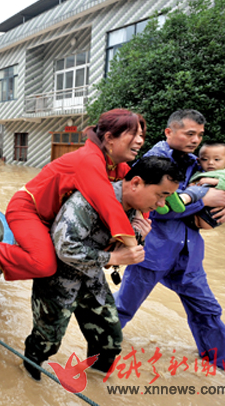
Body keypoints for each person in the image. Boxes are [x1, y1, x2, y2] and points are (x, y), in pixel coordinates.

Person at [23, 156, 182, 381]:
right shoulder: (89, 201)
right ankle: (29, 377)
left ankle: (97, 385)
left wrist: (137, 237)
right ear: (136, 183)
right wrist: (114, 256)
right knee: (47, 342)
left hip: (91, 279)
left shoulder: (135, 210)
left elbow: (120, 251)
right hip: (58, 280)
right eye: (160, 195)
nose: (161, 204)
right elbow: (65, 247)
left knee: (110, 341)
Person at [115, 109, 225, 374]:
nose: (196, 139)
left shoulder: (197, 162)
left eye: (199, 134)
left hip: (189, 254)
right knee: (123, 308)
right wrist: (204, 199)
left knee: (208, 311)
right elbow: (156, 205)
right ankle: (95, 355)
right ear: (169, 132)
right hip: (152, 251)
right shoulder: (154, 162)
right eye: (190, 133)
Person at [0, 108, 146, 282]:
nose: (140, 141)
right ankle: (1, 254)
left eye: (141, 135)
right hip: (28, 209)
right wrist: (132, 247)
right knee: (45, 264)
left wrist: (141, 225)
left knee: (63, 259)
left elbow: (142, 196)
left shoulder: (119, 167)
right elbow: (109, 206)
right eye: (134, 134)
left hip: (55, 219)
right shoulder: (89, 159)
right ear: (109, 138)